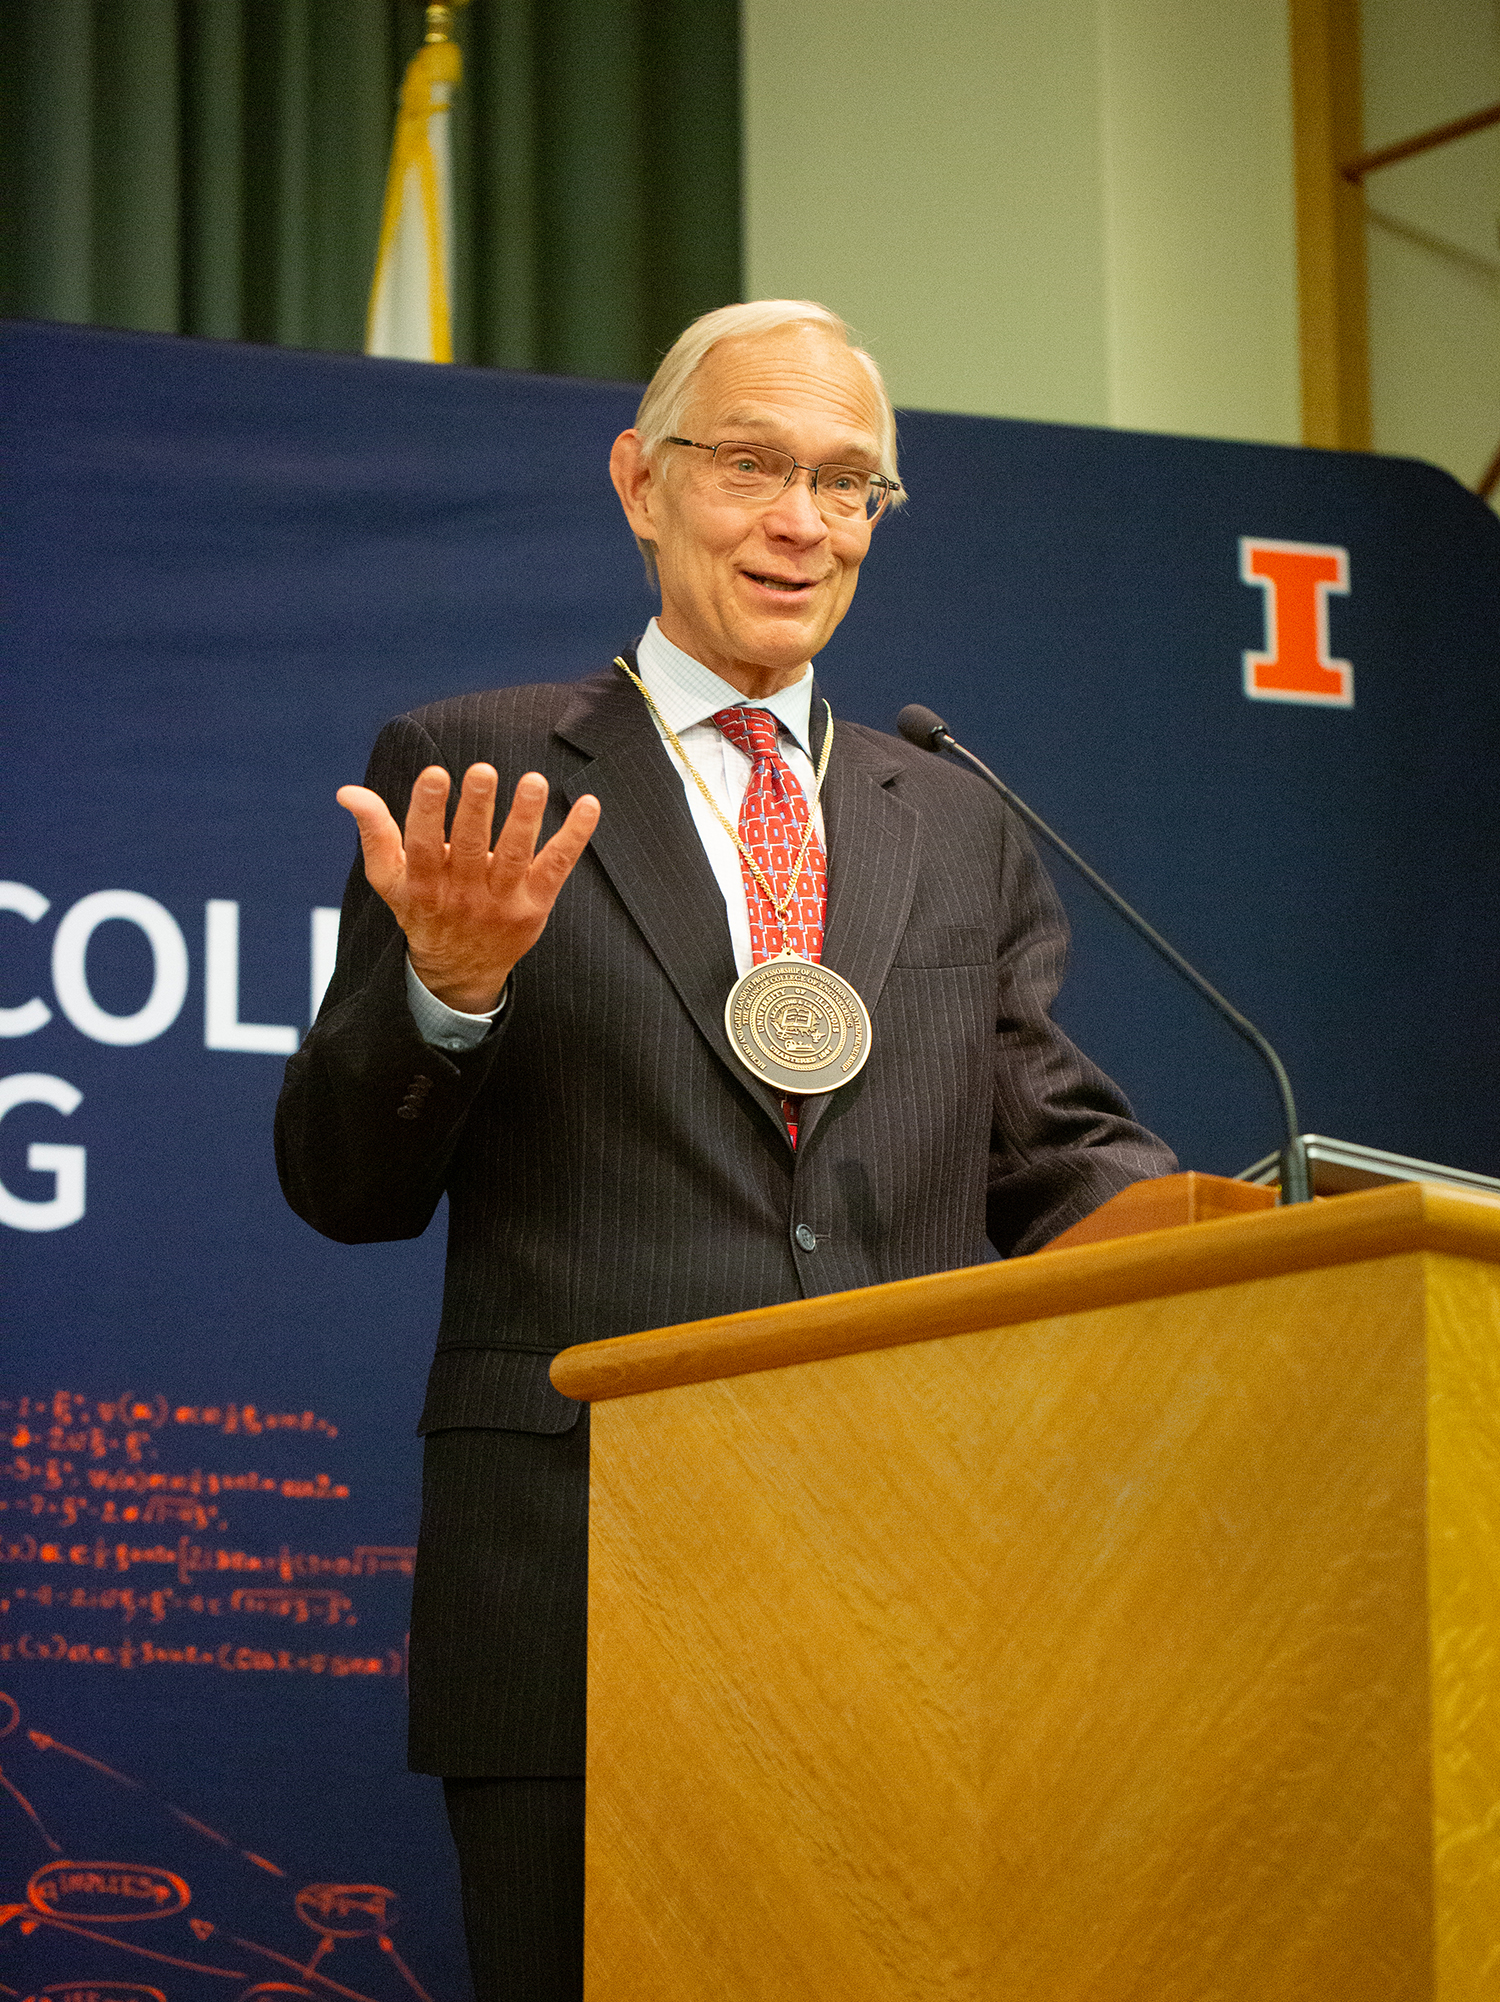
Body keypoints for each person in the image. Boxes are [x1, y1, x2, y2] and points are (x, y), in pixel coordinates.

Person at [275, 299, 1175, 2002]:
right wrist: (449, 995)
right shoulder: (478, 766)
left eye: (847, 485)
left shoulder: (957, 813)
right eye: (753, 463)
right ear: (639, 479)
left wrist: (1255, 1234)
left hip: (911, 1587)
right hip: (581, 1579)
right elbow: (343, 1183)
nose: (800, 521)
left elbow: (1052, 1147)